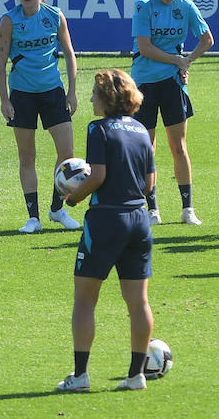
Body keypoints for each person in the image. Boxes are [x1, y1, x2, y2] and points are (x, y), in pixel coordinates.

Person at [55, 69, 156, 392]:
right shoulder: (141, 129)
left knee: (84, 299)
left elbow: (96, 175)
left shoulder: (98, 129)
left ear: (107, 98)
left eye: (94, 94)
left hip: (106, 220)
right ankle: (136, 375)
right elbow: (149, 183)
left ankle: (81, 376)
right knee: (138, 302)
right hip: (139, 220)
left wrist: (73, 197)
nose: (90, 99)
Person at [131, 0, 215, 226]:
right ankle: (152, 208)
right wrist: (177, 60)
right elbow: (145, 48)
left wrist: (187, 60)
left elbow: (207, 39)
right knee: (148, 148)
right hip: (144, 83)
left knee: (179, 146)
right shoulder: (143, 5)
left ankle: (188, 209)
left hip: (173, 83)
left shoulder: (186, 6)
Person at [0, 0, 81, 234]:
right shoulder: (9, 21)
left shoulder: (54, 16)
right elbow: (0, 64)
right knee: (27, 156)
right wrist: (4, 100)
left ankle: (57, 209)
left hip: (53, 92)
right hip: (22, 94)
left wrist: (72, 91)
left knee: (67, 153)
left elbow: (69, 53)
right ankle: (33, 217)